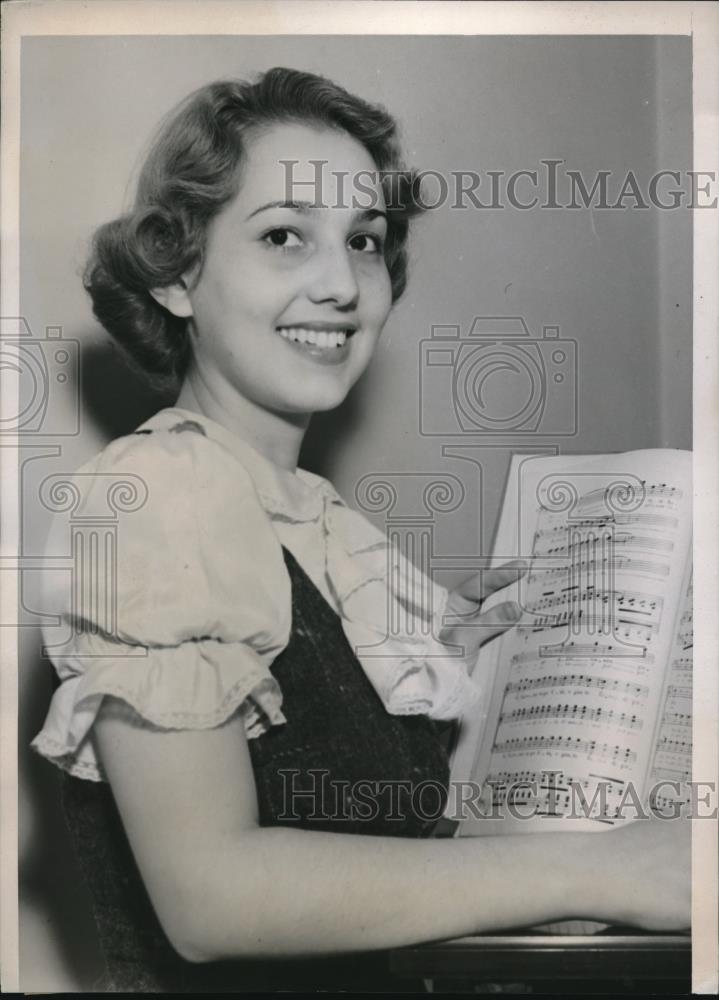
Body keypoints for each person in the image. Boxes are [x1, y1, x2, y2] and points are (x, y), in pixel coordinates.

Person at [31, 67, 689, 992]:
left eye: (365, 240)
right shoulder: (152, 496)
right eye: (282, 238)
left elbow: (354, 817)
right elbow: (212, 901)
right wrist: (613, 868)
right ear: (179, 275)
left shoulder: (316, 523)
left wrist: (465, 667)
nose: (341, 284)